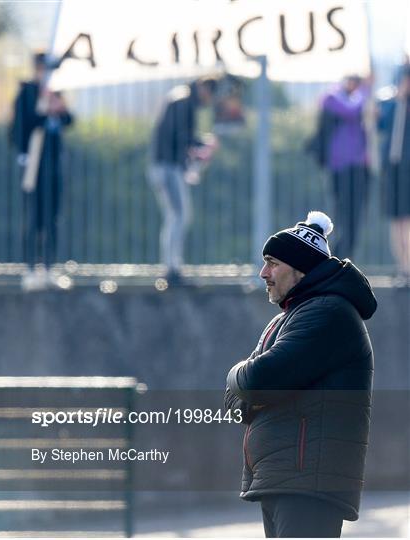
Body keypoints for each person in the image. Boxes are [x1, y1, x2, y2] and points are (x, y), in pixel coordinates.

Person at [225, 211, 377, 538]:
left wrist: (235, 374)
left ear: (301, 268)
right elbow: (237, 402)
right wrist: (249, 387)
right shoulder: (291, 317)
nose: (263, 272)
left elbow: (258, 380)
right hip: (287, 479)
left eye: (273, 263)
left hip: (308, 484)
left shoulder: (328, 312)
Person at [10, 51, 74, 291]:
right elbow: (19, 128)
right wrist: (42, 110)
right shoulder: (27, 93)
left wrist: (59, 107)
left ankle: (49, 268)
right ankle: (30, 270)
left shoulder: (56, 92)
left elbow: (69, 120)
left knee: (52, 218)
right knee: (35, 218)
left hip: (54, 164)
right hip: (34, 165)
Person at [148, 76, 219, 286]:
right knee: (179, 215)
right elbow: (180, 137)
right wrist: (194, 159)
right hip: (168, 167)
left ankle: (172, 266)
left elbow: (182, 136)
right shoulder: (183, 101)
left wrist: (199, 146)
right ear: (202, 87)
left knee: (175, 215)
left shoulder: (180, 98)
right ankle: (172, 268)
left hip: (165, 165)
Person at [320, 76, 372, 259]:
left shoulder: (358, 99)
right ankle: (333, 256)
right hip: (340, 169)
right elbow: (350, 110)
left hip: (358, 169)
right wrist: (366, 90)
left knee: (355, 219)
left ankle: (343, 257)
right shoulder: (332, 98)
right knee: (342, 216)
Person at [378, 65, 410, 286]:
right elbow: (379, 124)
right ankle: (404, 267)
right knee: (397, 219)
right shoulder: (390, 104)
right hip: (395, 166)